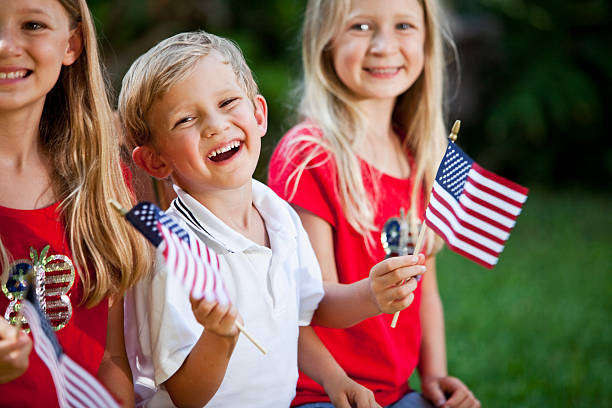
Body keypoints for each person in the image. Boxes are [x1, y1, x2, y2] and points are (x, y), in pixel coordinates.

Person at [119, 30, 425, 408]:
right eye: (185, 120)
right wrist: (219, 337)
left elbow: (305, 310)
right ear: (155, 161)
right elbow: (185, 395)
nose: (216, 125)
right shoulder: (172, 252)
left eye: (228, 102)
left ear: (259, 114)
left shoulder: (277, 214)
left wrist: (368, 299)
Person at [267, 0, 481, 407]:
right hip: (319, 390)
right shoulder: (310, 155)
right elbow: (311, 303)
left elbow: (426, 291)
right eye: (361, 26)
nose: (384, 45)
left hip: (396, 393)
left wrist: (434, 374)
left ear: (428, 40)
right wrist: (371, 295)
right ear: (325, 42)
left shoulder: (420, 155)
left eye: (403, 25)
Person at [0, 0, 150, 406]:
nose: (4, 44)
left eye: (32, 24)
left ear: (72, 44)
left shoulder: (105, 183)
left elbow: (112, 360)